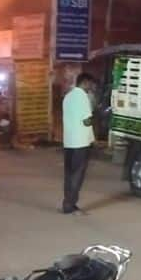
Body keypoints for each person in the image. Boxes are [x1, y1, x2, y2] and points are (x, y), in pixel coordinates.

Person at [62, 72, 96, 215]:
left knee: (69, 174)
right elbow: (86, 120)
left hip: (68, 141)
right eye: (90, 84)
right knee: (77, 174)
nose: (91, 87)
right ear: (85, 82)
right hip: (81, 142)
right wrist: (95, 117)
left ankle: (67, 203)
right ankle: (71, 205)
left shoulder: (68, 96)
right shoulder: (82, 97)